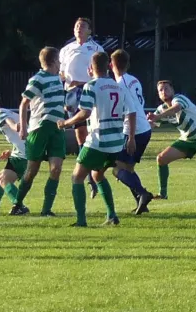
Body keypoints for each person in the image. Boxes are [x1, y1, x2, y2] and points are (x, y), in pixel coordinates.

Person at [58, 51, 137, 227]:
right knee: (97, 174)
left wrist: (65, 123)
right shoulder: (119, 86)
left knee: (77, 177)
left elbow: (84, 113)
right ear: (108, 66)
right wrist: (131, 138)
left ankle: (81, 220)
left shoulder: (91, 86)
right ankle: (112, 215)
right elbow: (131, 112)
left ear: (90, 68)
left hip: (98, 140)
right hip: (116, 141)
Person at [12, 46, 66, 216]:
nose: (60, 63)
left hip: (57, 128)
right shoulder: (38, 79)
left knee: (56, 168)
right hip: (39, 128)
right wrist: (23, 127)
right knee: (31, 170)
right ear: (53, 61)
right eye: (59, 59)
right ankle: (17, 203)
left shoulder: (58, 78)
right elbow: (24, 103)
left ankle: (46, 209)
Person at [59, 17, 104, 199]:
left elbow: (100, 73)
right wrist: (65, 82)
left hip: (88, 90)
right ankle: (90, 177)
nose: (79, 28)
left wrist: (84, 82)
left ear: (89, 31)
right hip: (71, 93)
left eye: (83, 26)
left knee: (91, 130)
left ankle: (96, 172)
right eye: (76, 26)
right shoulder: (66, 49)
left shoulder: (96, 49)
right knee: (80, 133)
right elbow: (61, 71)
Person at [110, 50, 153, 214]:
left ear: (111, 65)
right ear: (128, 64)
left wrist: (131, 137)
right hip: (144, 129)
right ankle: (142, 203)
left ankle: (143, 194)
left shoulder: (120, 85)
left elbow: (131, 111)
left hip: (133, 130)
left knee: (116, 169)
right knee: (128, 169)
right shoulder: (134, 80)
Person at [0, 94, 29, 215]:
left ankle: (19, 206)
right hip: (20, 152)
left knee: (4, 180)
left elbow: (8, 121)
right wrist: (10, 151)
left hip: (23, 154)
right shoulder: (6, 110)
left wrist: (14, 126)